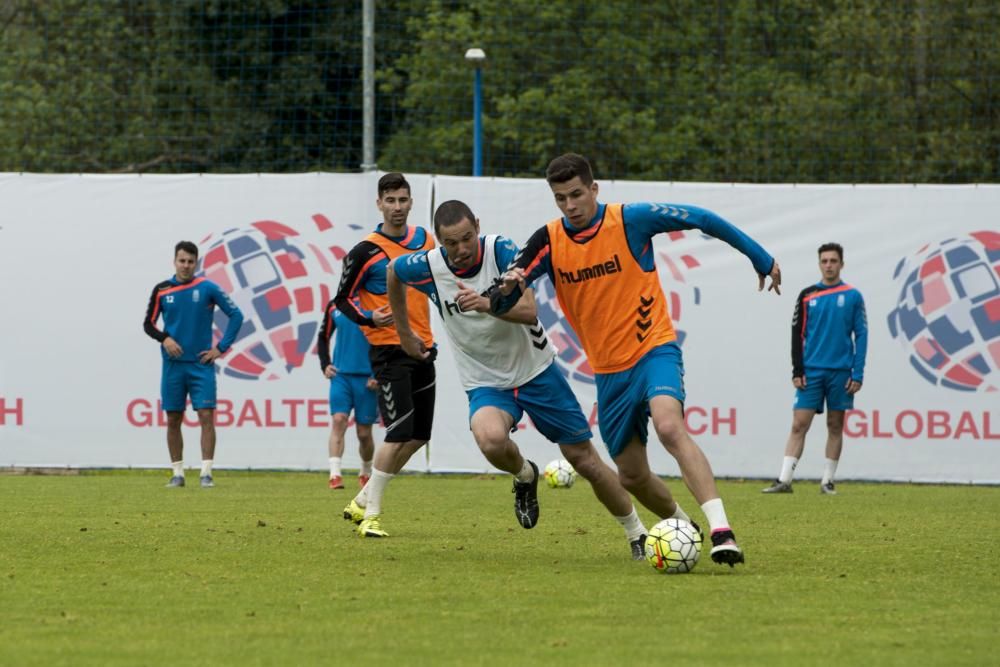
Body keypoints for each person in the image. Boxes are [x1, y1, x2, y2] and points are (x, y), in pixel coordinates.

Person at [493, 153, 782, 567]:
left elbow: (702, 217)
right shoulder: (549, 240)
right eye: (561, 199)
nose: (570, 205)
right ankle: (685, 529)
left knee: (669, 424)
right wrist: (504, 287)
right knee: (631, 475)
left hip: (653, 349)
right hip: (609, 374)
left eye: (577, 194)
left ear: (595, 189)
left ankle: (722, 531)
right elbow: (510, 286)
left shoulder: (631, 220)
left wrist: (759, 256)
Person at [389, 200, 696, 560]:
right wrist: (404, 333)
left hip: (537, 372)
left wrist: (487, 304)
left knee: (585, 461)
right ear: (438, 240)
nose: (460, 249)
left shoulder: (501, 251)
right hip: (486, 381)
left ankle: (637, 532)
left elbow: (529, 310)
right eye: (451, 243)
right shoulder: (427, 266)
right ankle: (524, 475)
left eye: (466, 238)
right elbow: (393, 272)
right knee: (489, 439)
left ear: (477, 225)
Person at [334, 172, 437, 538]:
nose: (397, 207)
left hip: (424, 347)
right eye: (390, 201)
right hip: (388, 350)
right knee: (398, 433)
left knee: (418, 436)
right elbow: (341, 299)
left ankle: (362, 499)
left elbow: (440, 280)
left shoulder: (425, 239)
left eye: (403, 200)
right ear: (379, 204)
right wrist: (368, 317)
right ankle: (371, 516)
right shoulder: (365, 250)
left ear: (411, 202)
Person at [762, 243, 867, 495]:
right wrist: (797, 370)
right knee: (799, 424)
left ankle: (827, 481)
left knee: (835, 424)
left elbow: (861, 335)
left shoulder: (853, 296)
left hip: (841, 372)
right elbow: (796, 333)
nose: (829, 265)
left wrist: (858, 372)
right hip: (811, 371)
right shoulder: (808, 295)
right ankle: (784, 480)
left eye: (833, 261)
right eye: (825, 261)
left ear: (842, 263)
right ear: (819, 264)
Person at [143, 240, 244, 488]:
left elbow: (236, 315)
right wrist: (164, 338)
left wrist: (220, 349)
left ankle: (206, 473)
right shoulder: (162, 290)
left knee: (206, 416)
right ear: (174, 261)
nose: (186, 265)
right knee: (173, 418)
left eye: (190, 261)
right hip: (173, 365)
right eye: (182, 261)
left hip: (201, 365)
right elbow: (148, 324)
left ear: (196, 263)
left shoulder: (207, 287)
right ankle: (177, 474)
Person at [317, 300, 378, 490]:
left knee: (364, 433)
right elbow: (323, 336)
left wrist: (378, 374)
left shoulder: (375, 301)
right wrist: (325, 364)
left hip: (367, 380)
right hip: (341, 376)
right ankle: (335, 475)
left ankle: (365, 472)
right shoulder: (335, 305)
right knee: (339, 420)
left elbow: (389, 339)